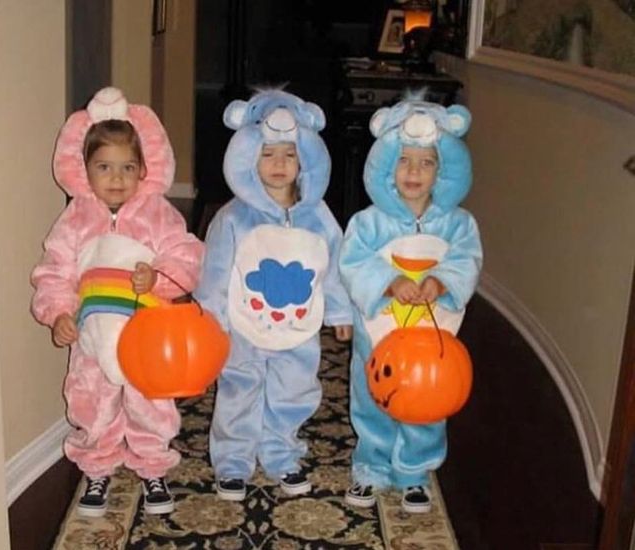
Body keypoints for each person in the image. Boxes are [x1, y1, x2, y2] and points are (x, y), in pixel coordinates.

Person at [31, 87, 203, 517]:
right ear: (82, 169)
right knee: (94, 402)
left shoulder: (157, 213)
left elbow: (187, 254)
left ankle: (152, 466)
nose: (116, 178)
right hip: (92, 337)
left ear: (145, 168)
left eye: (128, 167)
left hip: (146, 336)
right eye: (104, 167)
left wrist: (158, 275)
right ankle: (98, 466)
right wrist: (59, 314)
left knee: (150, 403)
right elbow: (55, 272)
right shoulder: (75, 220)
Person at [194, 89, 353, 501]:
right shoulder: (233, 218)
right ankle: (232, 461)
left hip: (297, 331)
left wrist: (339, 313)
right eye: (268, 154)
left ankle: (281, 453)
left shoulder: (319, 218)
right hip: (244, 329)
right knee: (239, 390)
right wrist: (211, 319)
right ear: (248, 157)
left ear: (305, 161)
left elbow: (332, 266)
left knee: (293, 391)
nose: (279, 164)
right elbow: (214, 272)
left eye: (289, 154)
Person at [339, 95, 482, 514]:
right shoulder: (368, 223)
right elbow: (352, 262)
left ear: (443, 172)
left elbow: (467, 259)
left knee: (428, 398)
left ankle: (415, 471)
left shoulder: (458, 224)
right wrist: (389, 281)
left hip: (432, 334)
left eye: (426, 163)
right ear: (387, 167)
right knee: (373, 395)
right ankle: (371, 465)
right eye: (404, 161)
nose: (414, 172)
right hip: (378, 333)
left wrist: (441, 281)